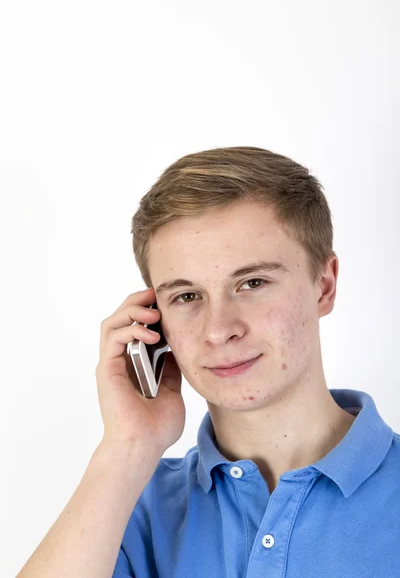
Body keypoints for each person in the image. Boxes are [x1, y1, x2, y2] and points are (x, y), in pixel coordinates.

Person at [17, 147, 400, 578]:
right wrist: (127, 446)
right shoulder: (125, 506)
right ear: (153, 318)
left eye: (252, 283)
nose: (219, 329)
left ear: (324, 286)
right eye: (186, 296)